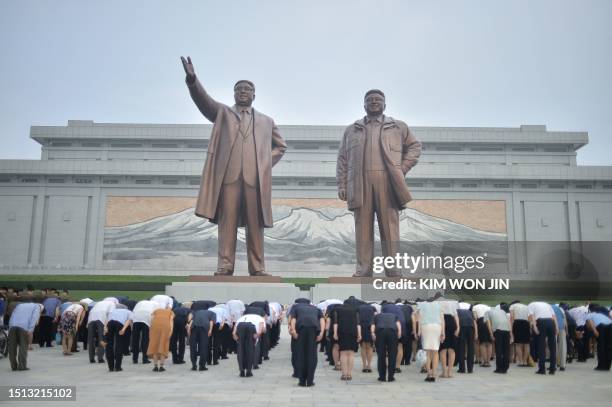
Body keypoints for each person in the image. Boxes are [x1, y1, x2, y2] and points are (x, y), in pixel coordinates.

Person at [181, 56, 287, 277]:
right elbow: (204, 101)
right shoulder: (223, 113)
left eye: (248, 89)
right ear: (234, 94)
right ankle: (225, 265)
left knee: (255, 225)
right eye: (239, 89)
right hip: (228, 179)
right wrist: (193, 80)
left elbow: (281, 146)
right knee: (226, 223)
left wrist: (265, 164)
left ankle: (257, 268)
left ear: (254, 95)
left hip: (254, 181)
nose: (243, 92)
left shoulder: (266, 121)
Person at [336, 89, 421, 277]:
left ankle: (393, 269)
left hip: (388, 182)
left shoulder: (398, 127)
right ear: (364, 104)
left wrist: (402, 168)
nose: (374, 102)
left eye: (378, 100)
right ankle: (363, 269)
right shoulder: (352, 129)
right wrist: (342, 185)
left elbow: (415, 147)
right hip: (360, 183)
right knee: (363, 229)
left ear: (385, 104)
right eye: (370, 100)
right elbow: (342, 158)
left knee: (390, 228)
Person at [290, 302, 325, 387]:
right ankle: (310, 381)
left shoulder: (296, 308)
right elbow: (322, 320)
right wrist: (321, 333)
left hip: (301, 330)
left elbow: (293, 319)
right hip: (313, 330)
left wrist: (293, 331)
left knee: (301, 355)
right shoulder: (316, 309)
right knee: (312, 355)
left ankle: (302, 381)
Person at [8, 303, 43, 371]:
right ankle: (22, 366)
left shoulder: (20, 305)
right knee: (23, 346)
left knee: (12, 347)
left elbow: (12, 315)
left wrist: (10, 327)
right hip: (24, 327)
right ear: (41, 308)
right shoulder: (37, 307)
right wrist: (30, 330)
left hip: (12, 326)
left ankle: (13, 366)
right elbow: (34, 318)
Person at [417, 300, 444, 382]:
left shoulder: (421, 304)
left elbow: (419, 318)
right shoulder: (439, 304)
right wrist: (443, 332)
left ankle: (429, 374)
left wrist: (419, 330)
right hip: (437, 326)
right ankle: (434, 373)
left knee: (428, 353)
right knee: (435, 351)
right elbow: (442, 319)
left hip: (426, 326)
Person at [528, 301, 559, 375]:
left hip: (541, 322)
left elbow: (532, 317)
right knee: (552, 347)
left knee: (541, 346)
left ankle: (542, 369)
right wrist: (556, 327)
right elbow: (553, 316)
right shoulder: (548, 305)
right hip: (551, 323)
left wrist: (534, 327)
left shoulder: (530, 305)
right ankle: (552, 369)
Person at [333, 304, 361, 381]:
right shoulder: (355, 310)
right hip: (353, 332)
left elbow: (336, 323)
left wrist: (335, 333)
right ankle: (349, 374)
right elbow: (358, 324)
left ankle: (343, 374)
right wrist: (359, 334)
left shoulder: (338, 310)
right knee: (351, 353)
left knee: (343, 353)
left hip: (342, 332)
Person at [234, 312, 266, 377]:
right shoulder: (261, 318)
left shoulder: (241, 318)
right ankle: (249, 372)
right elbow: (261, 331)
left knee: (240, 351)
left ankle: (242, 371)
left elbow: (233, 333)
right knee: (250, 350)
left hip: (240, 326)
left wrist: (238, 340)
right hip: (251, 327)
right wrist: (256, 336)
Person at [372, 311, 401, 382]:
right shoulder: (394, 314)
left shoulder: (377, 316)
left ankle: (382, 377)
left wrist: (372, 333)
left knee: (381, 354)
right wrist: (399, 332)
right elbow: (398, 324)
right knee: (392, 354)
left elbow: (373, 325)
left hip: (380, 331)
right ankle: (391, 377)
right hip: (392, 331)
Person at [87, 299, 116, 364]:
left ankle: (91, 358)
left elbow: (91, 311)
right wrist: (106, 326)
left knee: (91, 339)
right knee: (101, 338)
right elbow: (110, 315)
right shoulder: (112, 304)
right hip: (101, 319)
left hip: (91, 319)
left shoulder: (99, 302)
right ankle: (100, 358)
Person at [105, 306, 134, 372]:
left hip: (110, 323)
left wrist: (105, 327)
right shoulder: (129, 311)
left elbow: (107, 319)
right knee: (119, 345)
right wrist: (123, 329)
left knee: (109, 345)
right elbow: (129, 320)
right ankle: (118, 367)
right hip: (119, 324)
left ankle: (111, 367)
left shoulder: (113, 311)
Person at [486, 304, 513, 374]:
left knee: (499, 350)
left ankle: (499, 368)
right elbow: (508, 322)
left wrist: (491, 334)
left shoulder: (487, 312)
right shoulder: (503, 312)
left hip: (498, 331)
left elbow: (488, 324)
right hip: (506, 330)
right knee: (506, 350)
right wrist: (511, 334)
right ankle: (505, 368)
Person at [132, 299, 160, 364]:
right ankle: (145, 359)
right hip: (147, 318)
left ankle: (134, 359)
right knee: (145, 340)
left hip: (136, 318)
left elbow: (134, 311)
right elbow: (157, 315)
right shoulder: (156, 303)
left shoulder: (140, 302)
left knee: (135, 339)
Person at [147, 307, 174, 372]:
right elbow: (171, 321)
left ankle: (155, 366)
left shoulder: (156, 310)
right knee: (164, 345)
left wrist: (150, 330)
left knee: (154, 346)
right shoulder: (171, 312)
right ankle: (161, 366)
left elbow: (151, 319)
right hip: (165, 327)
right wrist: (170, 332)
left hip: (155, 327)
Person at [438, 300, 460, 378]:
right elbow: (456, 315)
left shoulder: (438, 302)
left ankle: (444, 372)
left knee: (443, 349)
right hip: (452, 323)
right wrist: (458, 327)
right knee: (452, 349)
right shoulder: (453, 303)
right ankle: (450, 372)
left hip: (442, 322)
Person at [457, 304, 477, 373]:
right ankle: (470, 369)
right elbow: (474, 323)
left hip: (462, 327)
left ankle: (462, 369)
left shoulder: (457, 310)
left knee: (461, 348)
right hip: (470, 328)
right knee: (471, 348)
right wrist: (476, 333)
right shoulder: (470, 311)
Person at [509, 300, 531, 366]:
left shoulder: (512, 306)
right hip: (526, 323)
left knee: (518, 344)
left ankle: (521, 361)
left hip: (517, 323)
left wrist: (511, 328)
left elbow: (512, 317)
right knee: (526, 344)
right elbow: (529, 317)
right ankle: (525, 361)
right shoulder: (526, 306)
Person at [358, 303, 376, 373]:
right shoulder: (373, 307)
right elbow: (375, 317)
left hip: (361, 327)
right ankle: (369, 366)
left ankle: (364, 366)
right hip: (370, 327)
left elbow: (357, 318)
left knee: (363, 347)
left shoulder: (359, 308)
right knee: (370, 347)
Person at [472, 302, 492, 367]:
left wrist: (476, 332)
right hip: (489, 322)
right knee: (489, 343)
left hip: (481, 322)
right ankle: (488, 362)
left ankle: (484, 361)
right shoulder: (488, 306)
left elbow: (475, 318)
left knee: (482, 343)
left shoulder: (474, 307)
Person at [552, 303, 568, 371]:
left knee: (553, 345)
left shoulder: (549, 308)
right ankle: (562, 365)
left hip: (553, 327)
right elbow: (564, 320)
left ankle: (554, 365)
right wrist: (567, 331)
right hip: (562, 327)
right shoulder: (561, 309)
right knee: (563, 346)